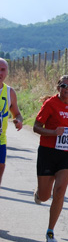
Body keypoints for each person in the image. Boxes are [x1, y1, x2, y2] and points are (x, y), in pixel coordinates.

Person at [33, 75, 68, 242]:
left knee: (60, 190)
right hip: (48, 152)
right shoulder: (50, 104)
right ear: (58, 88)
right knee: (45, 195)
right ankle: (39, 193)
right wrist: (54, 132)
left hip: (67, 153)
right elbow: (36, 127)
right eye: (64, 86)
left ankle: (50, 230)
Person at [0, 57, 23, 187]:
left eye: (3, 70)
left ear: (7, 72)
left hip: (0, 140)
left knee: (1, 166)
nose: (0, 73)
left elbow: (18, 114)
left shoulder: (9, 92)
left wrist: (18, 121)